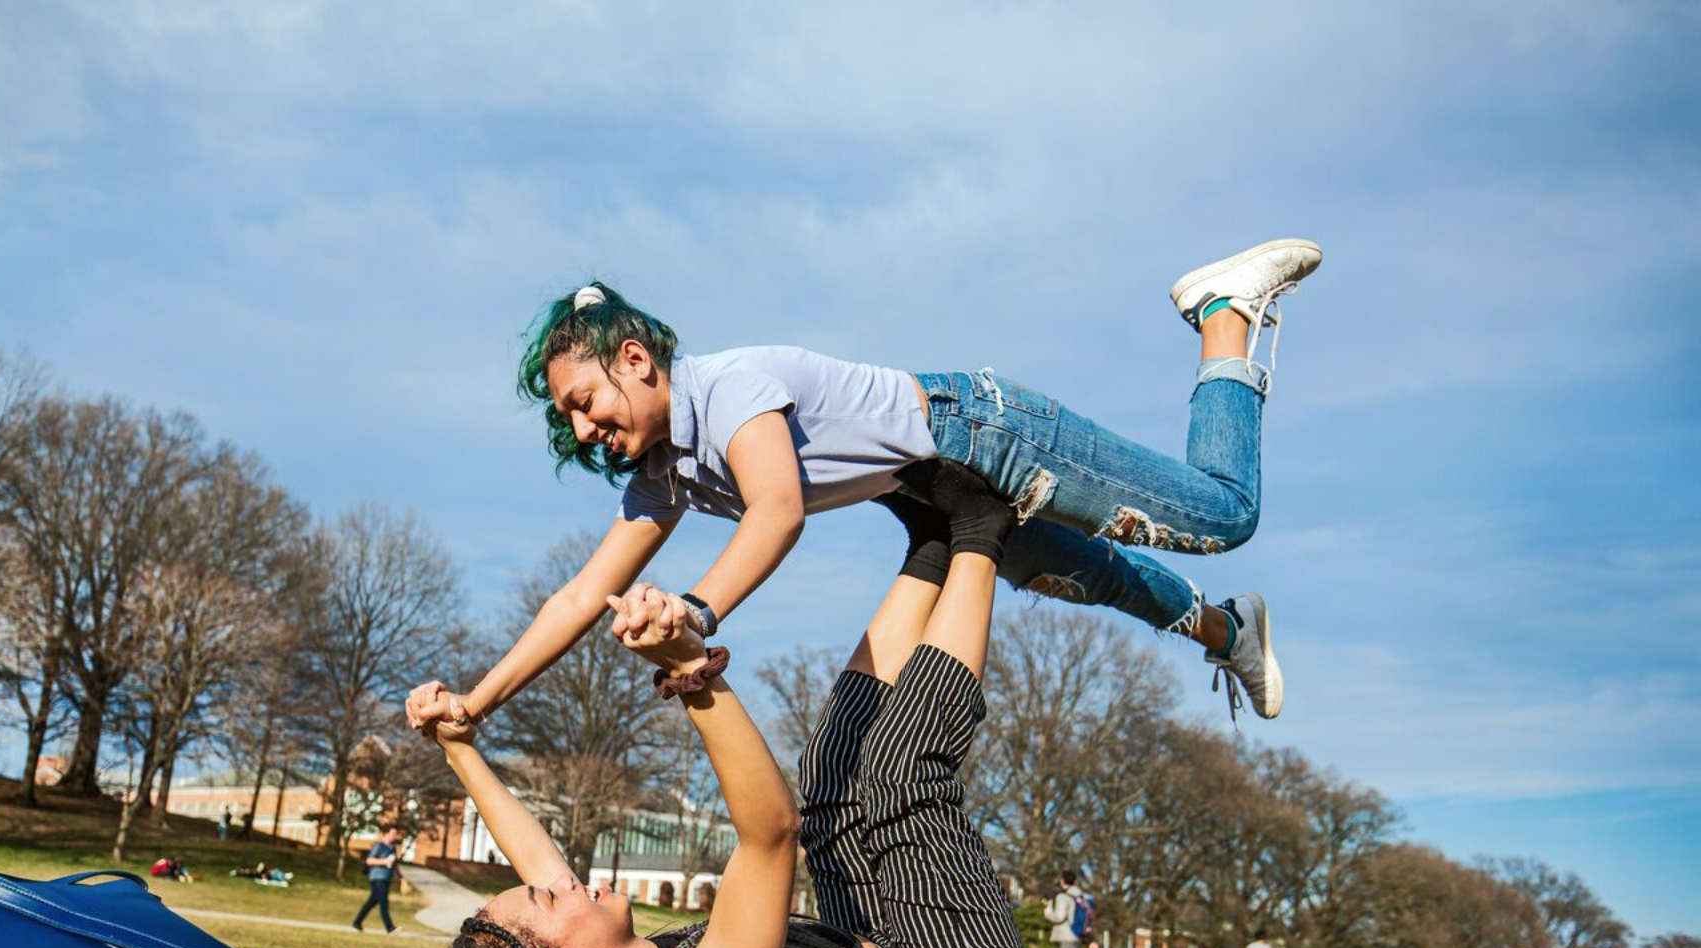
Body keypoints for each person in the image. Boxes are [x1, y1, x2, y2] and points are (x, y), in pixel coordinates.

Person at [406, 240, 1326, 746]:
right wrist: (481, 703)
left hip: (988, 433)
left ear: (636, 361)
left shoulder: (729, 388)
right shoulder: (665, 471)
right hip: (937, 492)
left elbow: (778, 507)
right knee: (1101, 580)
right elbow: (580, 595)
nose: (581, 429)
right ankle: (1230, 631)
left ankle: (1224, 316)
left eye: (585, 402)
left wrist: (695, 608)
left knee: (1220, 515)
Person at [417, 466, 1038, 948]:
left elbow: (537, 865)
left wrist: (459, 748)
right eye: (550, 895)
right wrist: (690, 672)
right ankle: (982, 532)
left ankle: (930, 548)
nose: (561, 878)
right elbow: (770, 832)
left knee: (831, 777)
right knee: (899, 774)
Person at [351, 827, 400, 933]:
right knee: (384, 902)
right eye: (393, 834)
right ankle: (390, 928)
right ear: (386, 834)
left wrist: (398, 876)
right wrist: (384, 861)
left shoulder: (392, 848)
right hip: (377, 878)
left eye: (396, 834)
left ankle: (357, 923)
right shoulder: (379, 846)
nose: (395, 836)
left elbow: (393, 864)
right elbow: (369, 860)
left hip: (386, 878)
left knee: (371, 902)